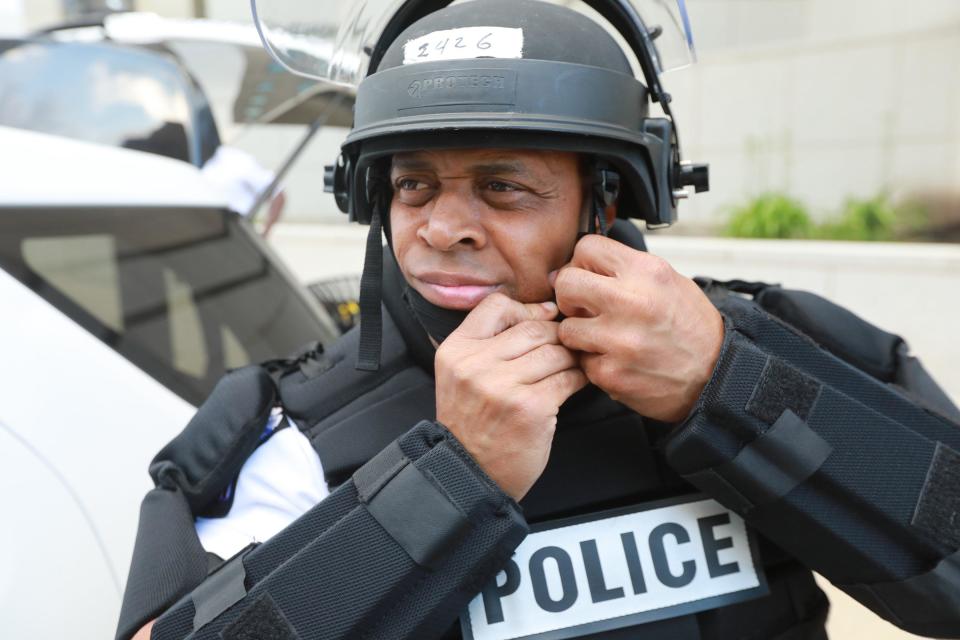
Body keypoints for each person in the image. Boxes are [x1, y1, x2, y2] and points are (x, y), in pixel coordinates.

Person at [118, 1, 960, 639]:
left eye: (503, 186)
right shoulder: (282, 435)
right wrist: (448, 482)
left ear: (612, 195)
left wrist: (726, 385)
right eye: (413, 184)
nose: (442, 227)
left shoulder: (780, 348)